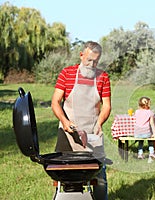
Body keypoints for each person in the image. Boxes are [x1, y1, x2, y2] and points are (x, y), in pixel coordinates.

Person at [51, 41, 111, 200]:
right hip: (68, 134)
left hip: (92, 134)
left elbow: (106, 106)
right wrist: (64, 121)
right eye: (89, 60)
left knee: (99, 177)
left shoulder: (103, 77)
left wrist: (99, 123)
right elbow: (55, 102)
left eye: (96, 61)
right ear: (81, 55)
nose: (92, 64)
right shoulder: (67, 73)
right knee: (63, 175)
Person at [134, 97, 155, 163]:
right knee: (150, 141)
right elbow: (152, 123)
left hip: (137, 133)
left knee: (140, 141)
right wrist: (154, 133)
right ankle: (151, 153)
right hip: (146, 133)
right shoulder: (150, 112)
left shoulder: (136, 112)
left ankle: (140, 153)